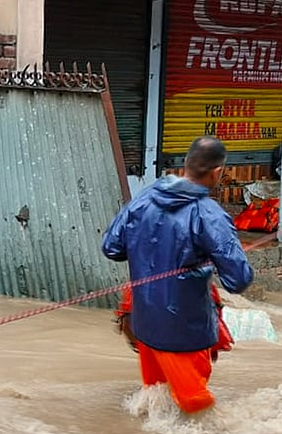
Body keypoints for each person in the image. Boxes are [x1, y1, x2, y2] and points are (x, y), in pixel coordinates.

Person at [101, 136, 254, 414]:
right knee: (195, 408)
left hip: (144, 322)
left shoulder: (144, 199)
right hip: (185, 329)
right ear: (217, 172)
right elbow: (238, 278)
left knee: (156, 402)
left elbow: (111, 247)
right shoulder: (209, 214)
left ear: (185, 164)